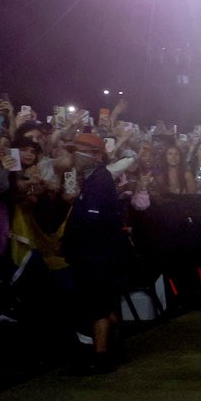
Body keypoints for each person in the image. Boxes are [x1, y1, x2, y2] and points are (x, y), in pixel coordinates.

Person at [61, 132, 131, 373]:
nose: (74, 156)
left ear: (95, 155)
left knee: (98, 307)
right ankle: (116, 348)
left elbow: (92, 223)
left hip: (96, 257)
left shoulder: (99, 182)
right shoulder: (93, 181)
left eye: (78, 151)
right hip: (97, 256)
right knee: (106, 304)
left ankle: (101, 357)